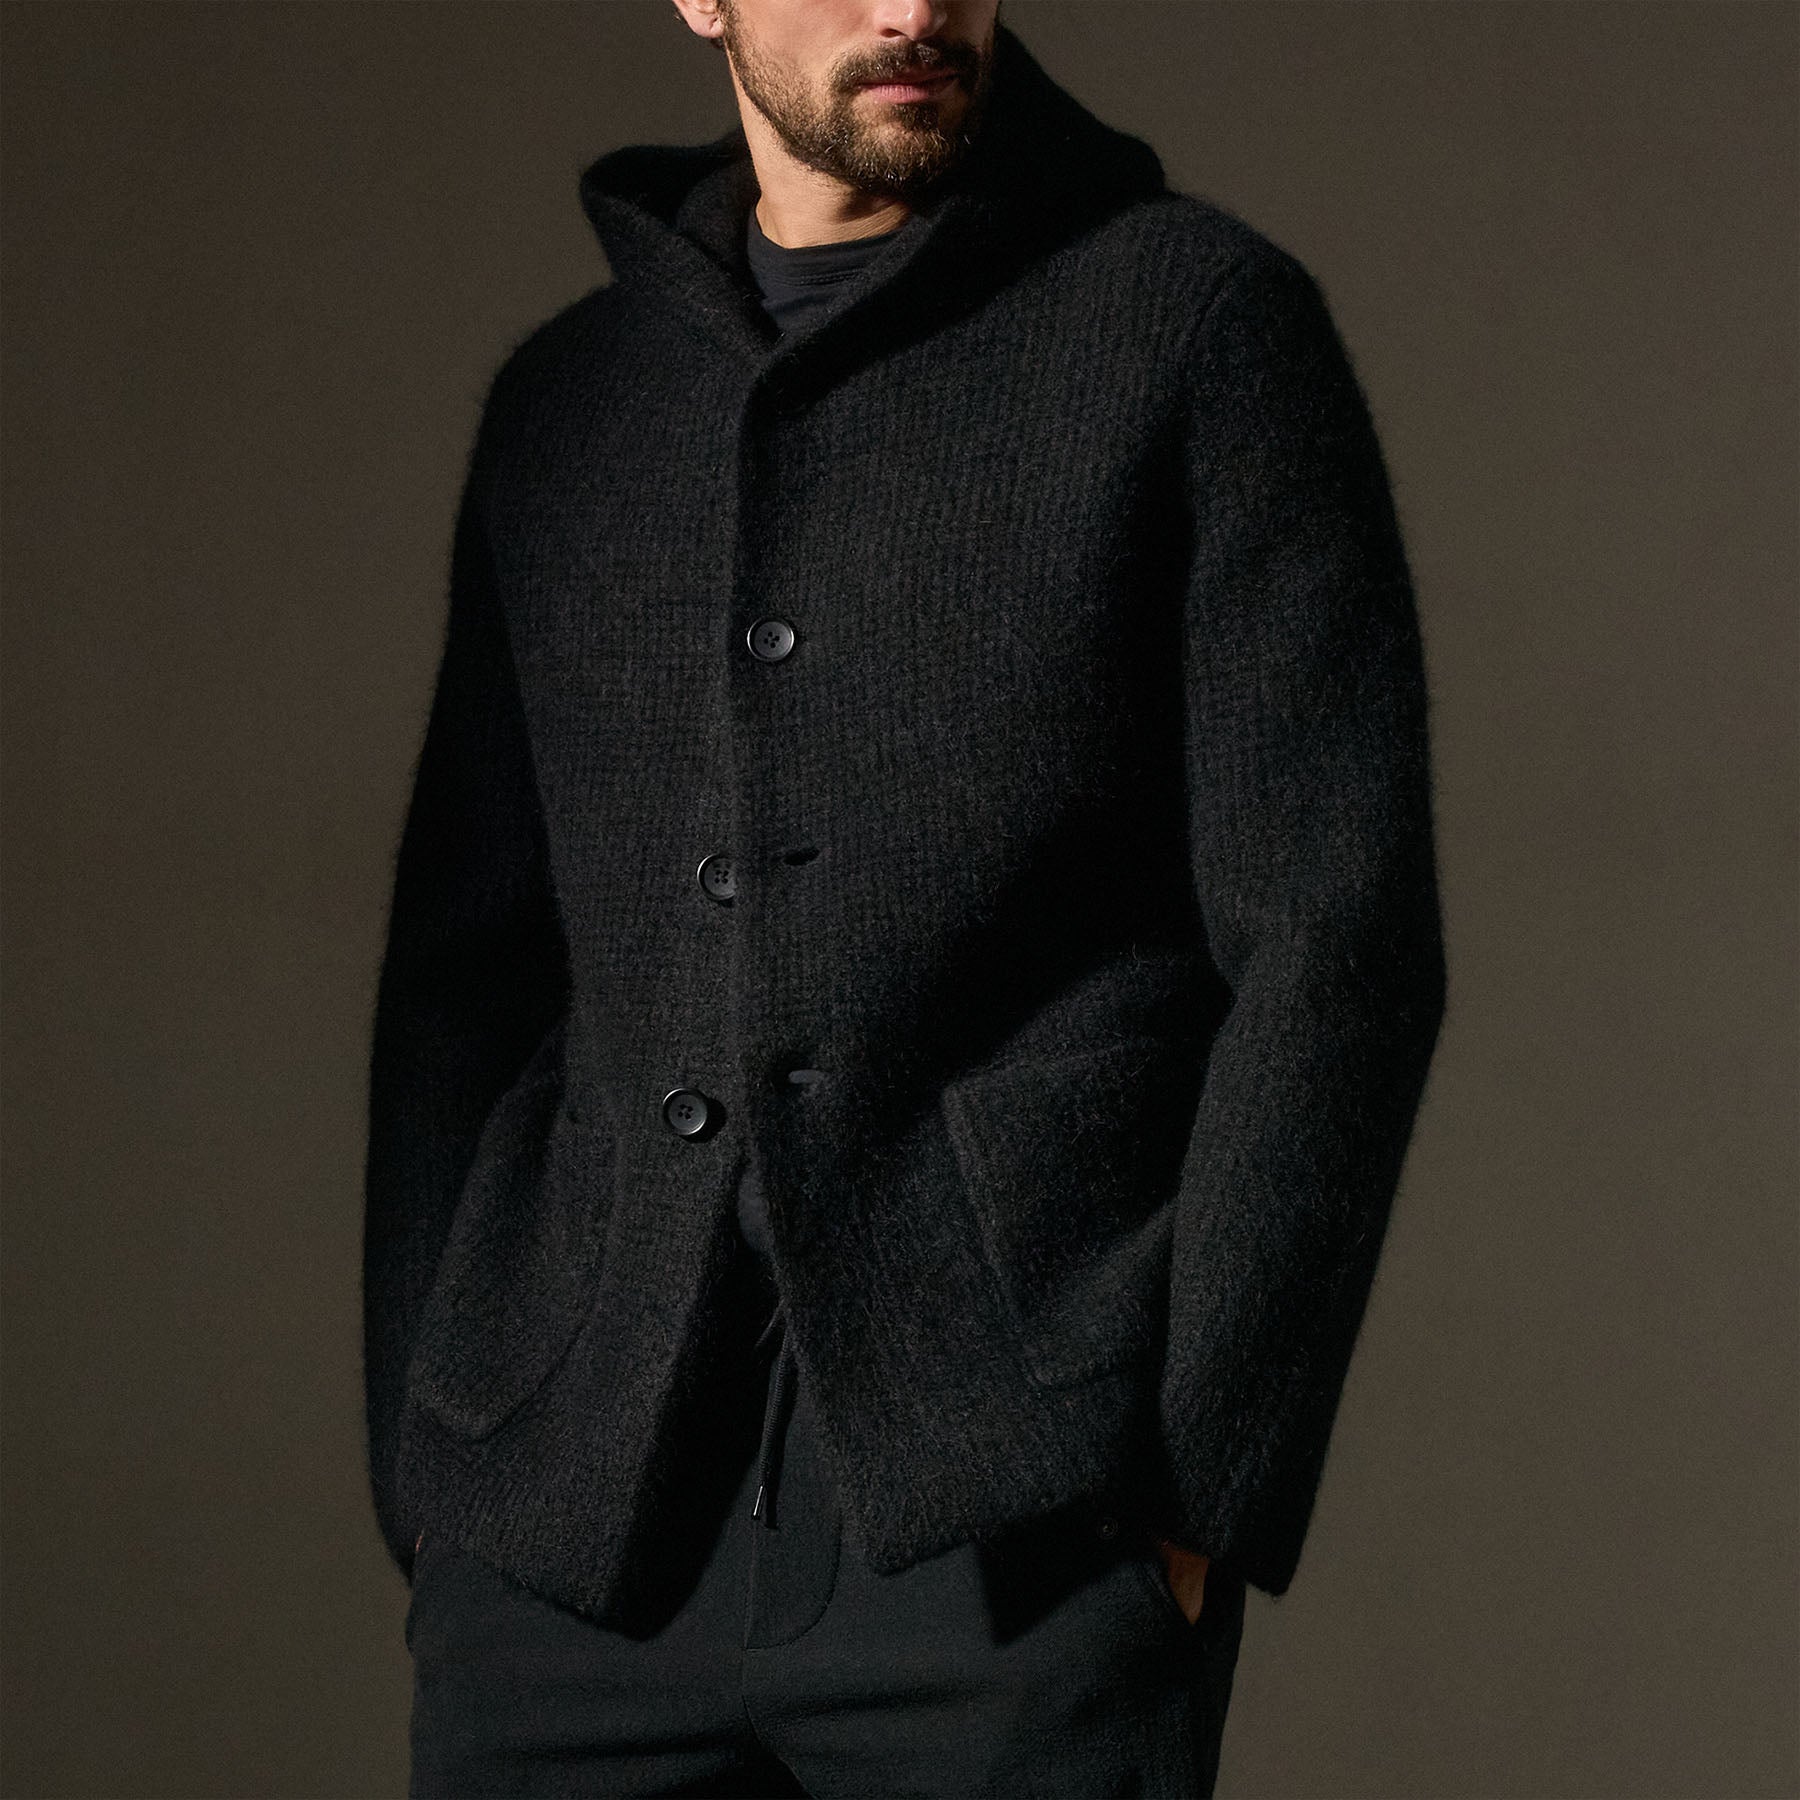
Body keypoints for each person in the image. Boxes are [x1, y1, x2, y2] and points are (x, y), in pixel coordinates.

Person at [365, 1, 1448, 1792]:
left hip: (1014, 1527)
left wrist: (1196, 1478)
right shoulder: (569, 396)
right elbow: (463, 972)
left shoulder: (1190, 325)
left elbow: (1338, 938)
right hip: (566, 1531)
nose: (913, 8)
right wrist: (430, 1460)